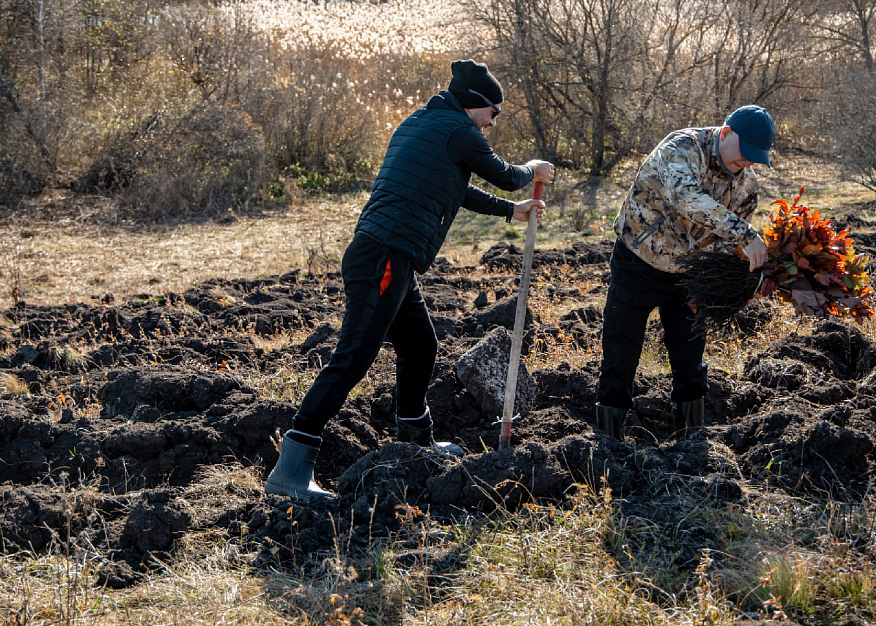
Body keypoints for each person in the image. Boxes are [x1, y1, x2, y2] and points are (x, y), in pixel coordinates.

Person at [266, 59, 555, 501]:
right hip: (384, 257)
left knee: (421, 343)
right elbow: (504, 174)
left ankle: (416, 440)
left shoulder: (423, 123)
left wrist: (509, 211)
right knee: (352, 360)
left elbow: (454, 187)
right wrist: (532, 170)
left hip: (388, 254)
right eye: (492, 113)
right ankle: (291, 470)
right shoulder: (460, 132)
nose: (492, 123)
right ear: (476, 105)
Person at [594, 105, 775, 441]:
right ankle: (608, 442)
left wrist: (733, 282)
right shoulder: (682, 148)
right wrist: (746, 234)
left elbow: (722, 244)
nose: (746, 163)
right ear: (726, 133)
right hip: (638, 262)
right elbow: (685, 198)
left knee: (690, 357)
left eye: (755, 157)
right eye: (744, 153)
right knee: (621, 350)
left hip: (688, 275)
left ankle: (690, 442)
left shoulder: (746, 188)